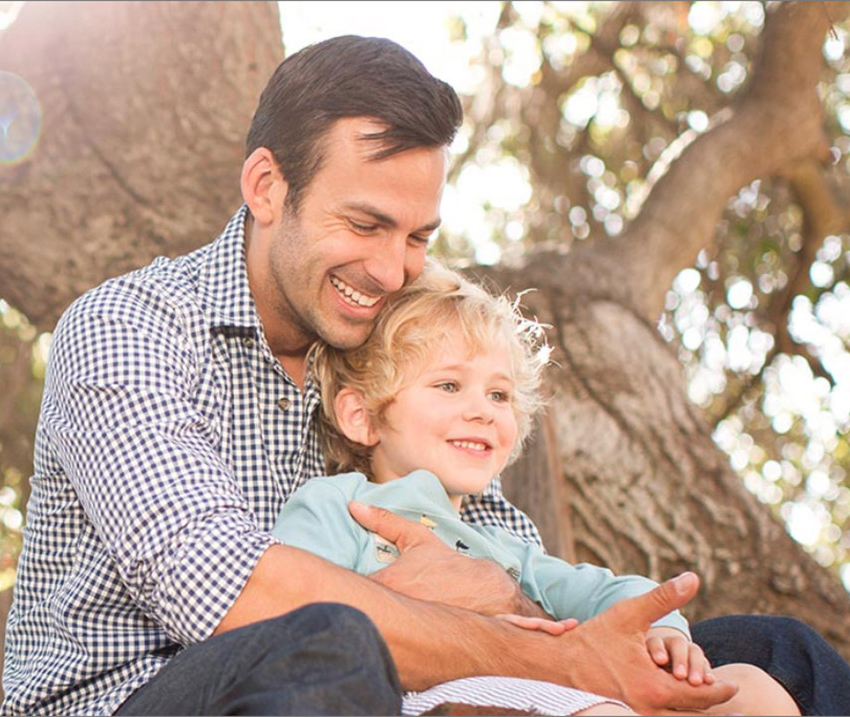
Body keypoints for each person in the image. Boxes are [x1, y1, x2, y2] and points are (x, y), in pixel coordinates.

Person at [0, 34, 850, 717]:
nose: (391, 268)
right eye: (366, 223)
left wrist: (621, 637)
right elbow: (222, 590)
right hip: (138, 699)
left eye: (416, 236)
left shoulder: (403, 345)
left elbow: (505, 573)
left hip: (408, 685)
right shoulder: (134, 327)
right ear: (267, 185)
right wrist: (538, 650)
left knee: (773, 653)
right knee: (332, 646)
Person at [272, 262, 801, 717]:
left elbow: (604, 592)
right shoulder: (338, 504)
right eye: (449, 385)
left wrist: (665, 632)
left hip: (551, 691)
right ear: (362, 417)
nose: (483, 410)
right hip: (420, 695)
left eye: (499, 394)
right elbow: (285, 616)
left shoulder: (505, 549)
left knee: (753, 692)